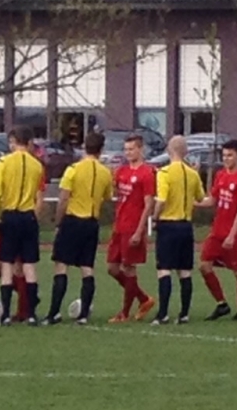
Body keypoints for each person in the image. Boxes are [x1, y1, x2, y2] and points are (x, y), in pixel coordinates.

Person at [43, 131, 114, 325]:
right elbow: (107, 197)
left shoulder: (73, 170)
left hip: (73, 220)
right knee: (87, 268)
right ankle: (83, 315)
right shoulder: (105, 172)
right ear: (101, 150)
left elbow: (63, 199)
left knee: (61, 265)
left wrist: (58, 222)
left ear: (84, 147)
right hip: (91, 222)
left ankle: (54, 313)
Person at [0, 126, 44, 326]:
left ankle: (5, 315)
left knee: (7, 265)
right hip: (28, 217)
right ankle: (31, 314)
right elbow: (36, 194)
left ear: (15, 141)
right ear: (29, 142)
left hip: (10, 216)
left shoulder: (3, 162)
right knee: (29, 266)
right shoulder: (37, 166)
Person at [151, 135, 205, 325]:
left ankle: (163, 313)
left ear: (168, 150)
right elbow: (200, 197)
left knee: (164, 269)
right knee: (185, 271)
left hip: (168, 225)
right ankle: (184, 314)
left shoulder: (164, 173)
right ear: (186, 152)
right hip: (186, 226)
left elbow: (161, 200)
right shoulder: (192, 174)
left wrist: (155, 217)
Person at [197, 139, 237, 321]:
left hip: (235, 234)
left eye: (230, 155)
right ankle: (222, 304)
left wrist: (232, 235)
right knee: (204, 265)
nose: (226, 159)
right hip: (217, 231)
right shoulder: (221, 175)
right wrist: (192, 202)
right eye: (224, 155)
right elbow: (212, 200)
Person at [106, 134, 156, 323]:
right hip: (119, 226)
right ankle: (143, 298)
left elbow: (148, 204)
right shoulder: (121, 171)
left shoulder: (147, 173)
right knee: (112, 268)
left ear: (140, 149)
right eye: (126, 149)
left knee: (129, 268)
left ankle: (124, 313)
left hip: (133, 227)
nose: (128, 153)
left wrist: (139, 230)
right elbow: (116, 194)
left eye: (131, 149)